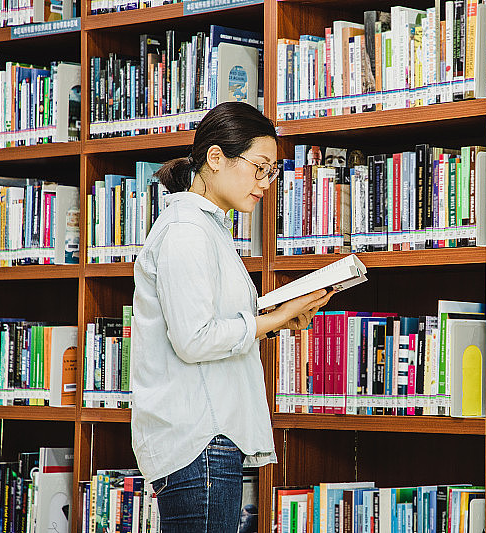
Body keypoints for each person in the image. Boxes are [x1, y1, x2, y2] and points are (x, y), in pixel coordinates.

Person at [130, 102, 333, 533]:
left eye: (272, 171)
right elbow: (194, 339)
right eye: (259, 167)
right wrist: (274, 320)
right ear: (216, 158)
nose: (265, 183)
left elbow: (214, 324)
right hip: (198, 440)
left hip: (210, 438)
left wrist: (280, 315)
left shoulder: (209, 229)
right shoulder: (186, 231)